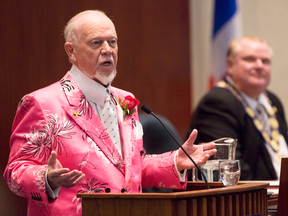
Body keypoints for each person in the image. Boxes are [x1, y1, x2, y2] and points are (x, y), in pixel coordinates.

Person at [3, 10, 216, 216]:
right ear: (71, 51)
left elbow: (128, 170)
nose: (107, 50)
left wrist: (175, 161)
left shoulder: (125, 100)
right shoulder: (42, 103)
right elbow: (15, 172)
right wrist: (47, 178)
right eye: (96, 43)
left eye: (112, 42)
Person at [187, 36, 288, 180]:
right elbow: (229, 169)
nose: (259, 65)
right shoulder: (217, 103)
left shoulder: (272, 100)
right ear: (230, 65)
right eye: (250, 59)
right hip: (251, 197)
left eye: (265, 61)